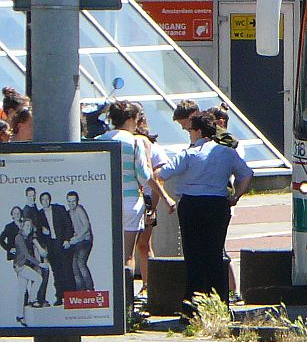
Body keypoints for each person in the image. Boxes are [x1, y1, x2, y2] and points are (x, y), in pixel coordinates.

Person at [156, 111, 252, 308]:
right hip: (218, 203)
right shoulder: (227, 152)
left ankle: (193, 303)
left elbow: (164, 172)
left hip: (191, 204)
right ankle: (219, 303)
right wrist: (235, 197)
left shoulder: (189, 153)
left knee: (193, 254)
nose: (189, 133)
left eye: (190, 130)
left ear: (198, 131)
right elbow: (247, 174)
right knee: (215, 253)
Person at [98, 101, 153, 268]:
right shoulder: (135, 142)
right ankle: (126, 293)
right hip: (130, 201)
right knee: (127, 254)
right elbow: (144, 176)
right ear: (130, 119)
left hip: (105, 200)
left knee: (107, 252)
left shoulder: (100, 140)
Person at [133, 110, 174, 296]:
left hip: (147, 198)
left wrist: (154, 207)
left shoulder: (151, 146)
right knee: (136, 244)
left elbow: (157, 177)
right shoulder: (130, 143)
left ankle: (150, 285)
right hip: (132, 197)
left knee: (143, 244)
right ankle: (145, 285)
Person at [33, 190, 75, 304]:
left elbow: (68, 225)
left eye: (47, 199)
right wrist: (42, 230)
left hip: (62, 243)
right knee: (57, 272)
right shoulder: (39, 214)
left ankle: (71, 298)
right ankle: (59, 297)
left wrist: (67, 239)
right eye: (43, 200)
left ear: (50, 200)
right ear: (40, 202)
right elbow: (37, 232)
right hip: (51, 247)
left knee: (67, 271)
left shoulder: (59, 209)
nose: (45, 201)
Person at [13, 218, 49, 323]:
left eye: (30, 226)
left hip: (21, 266)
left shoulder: (27, 236)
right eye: (26, 226)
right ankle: (32, 300)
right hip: (21, 266)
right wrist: (40, 264)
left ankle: (19, 316)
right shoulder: (19, 238)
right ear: (22, 227)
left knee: (22, 291)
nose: (28, 228)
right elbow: (26, 255)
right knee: (38, 278)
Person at [62, 191, 94, 291]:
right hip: (78, 241)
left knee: (80, 263)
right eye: (69, 201)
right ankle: (80, 290)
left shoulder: (79, 209)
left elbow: (86, 226)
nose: (71, 203)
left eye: (73, 201)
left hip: (85, 240)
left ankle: (89, 288)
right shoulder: (70, 212)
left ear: (77, 201)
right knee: (74, 266)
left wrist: (77, 238)